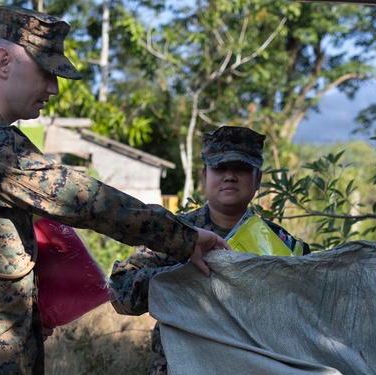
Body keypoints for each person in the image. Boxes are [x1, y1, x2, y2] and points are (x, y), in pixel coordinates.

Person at [0, 5, 228, 374]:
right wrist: (184, 237)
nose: (53, 88)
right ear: (3, 62)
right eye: (46, 72)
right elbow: (87, 201)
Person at [109, 126, 310, 375]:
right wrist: (181, 275)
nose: (230, 176)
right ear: (204, 176)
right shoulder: (173, 234)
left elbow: (305, 315)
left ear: (258, 180)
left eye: (241, 168)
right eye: (219, 168)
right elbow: (121, 295)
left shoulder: (280, 243)